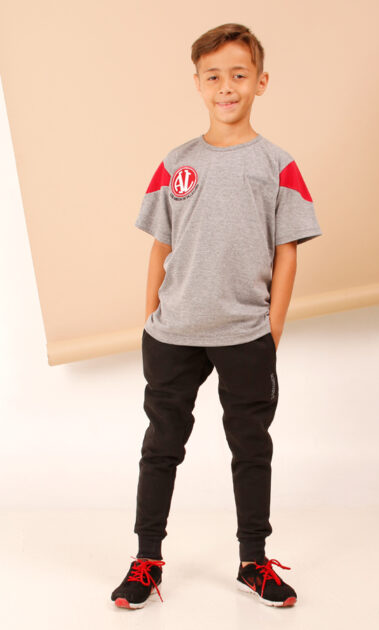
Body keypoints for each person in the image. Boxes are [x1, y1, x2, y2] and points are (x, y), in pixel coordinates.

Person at [111, 22, 322, 610]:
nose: (226, 86)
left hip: (245, 335)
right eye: (213, 76)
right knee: (161, 446)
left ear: (261, 81)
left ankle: (254, 561)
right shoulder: (176, 163)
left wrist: (271, 329)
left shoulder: (278, 164)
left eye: (238, 74)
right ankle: (147, 559)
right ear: (198, 83)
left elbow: (287, 252)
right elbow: (160, 245)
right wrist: (151, 317)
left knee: (251, 448)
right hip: (173, 333)